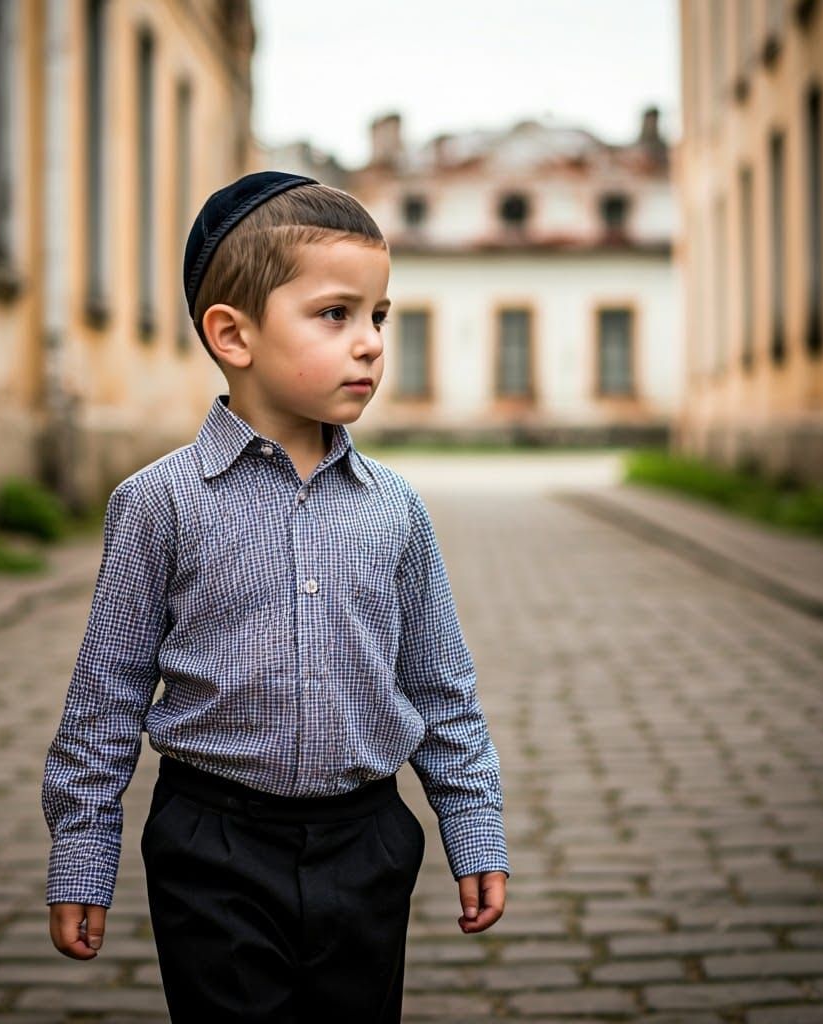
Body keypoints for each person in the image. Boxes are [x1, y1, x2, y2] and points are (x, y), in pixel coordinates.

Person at [42, 170, 509, 1023]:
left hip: (368, 841)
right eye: (336, 315)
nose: (370, 342)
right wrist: (82, 852)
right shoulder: (160, 503)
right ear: (234, 334)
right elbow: (103, 699)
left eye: (378, 316)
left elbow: (443, 689)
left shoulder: (396, 509)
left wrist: (471, 828)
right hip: (210, 844)